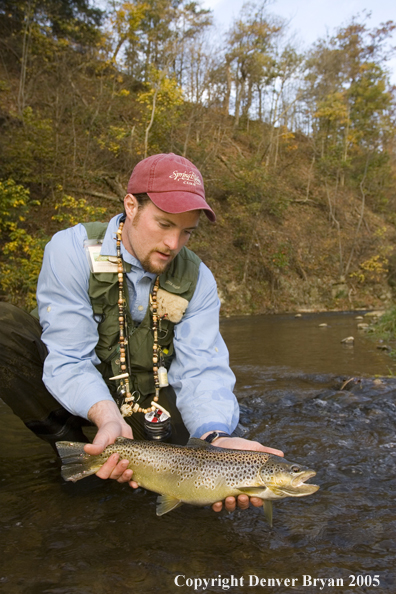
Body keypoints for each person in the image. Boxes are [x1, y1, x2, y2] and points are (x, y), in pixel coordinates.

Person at [0, 153, 283, 513]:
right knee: (4, 327)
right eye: (164, 224)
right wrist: (106, 417)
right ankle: (72, 448)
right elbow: (69, 358)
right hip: (81, 393)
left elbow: (202, 370)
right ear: (130, 206)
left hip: (146, 397)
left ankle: (136, 456)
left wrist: (216, 438)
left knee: (198, 490)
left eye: (186, 232)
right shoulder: (70, 252)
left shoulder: (199, 280)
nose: (174, 244)